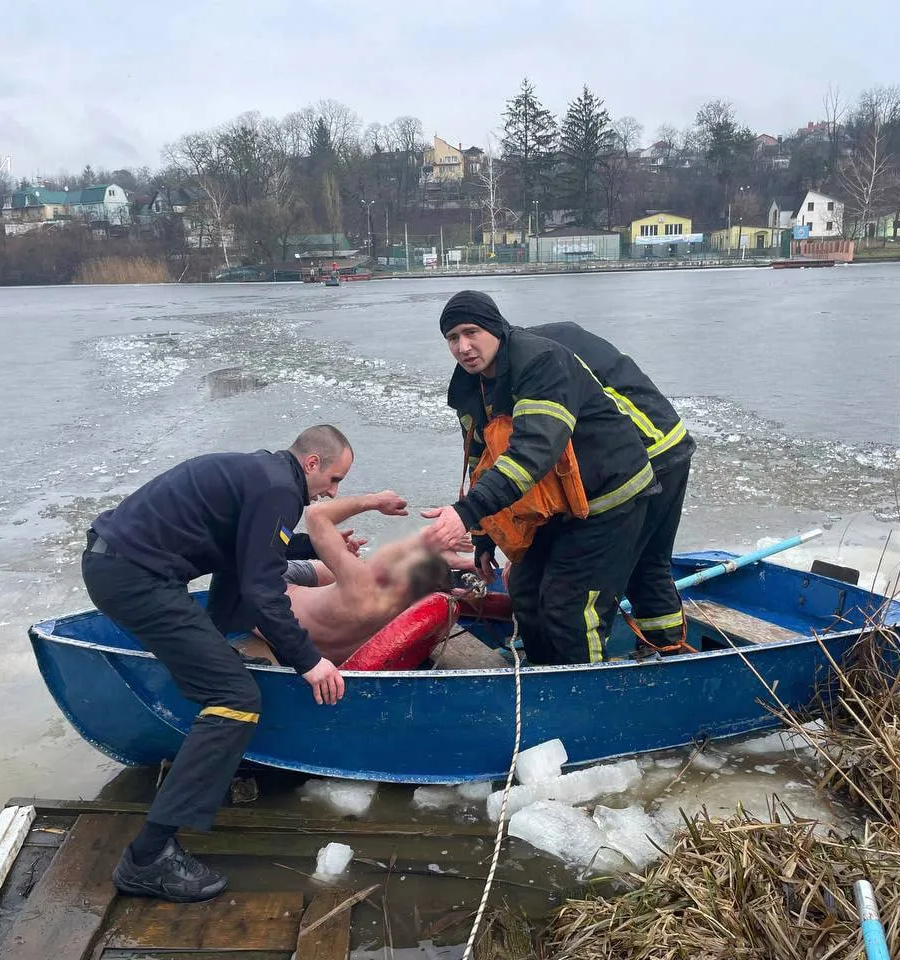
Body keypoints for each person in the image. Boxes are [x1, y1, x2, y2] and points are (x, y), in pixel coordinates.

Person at [80, 425, 351, 902]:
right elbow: (263, 587)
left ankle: (205, 684)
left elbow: (251, 547)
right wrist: (310, 662)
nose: (333, 492)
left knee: (226, 664)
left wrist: (316, 547)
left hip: (116, 563)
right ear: (311, 463)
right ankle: (148, 857)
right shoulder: (280, 489)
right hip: (135, 577)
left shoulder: (264, 473)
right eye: (334, 479)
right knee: (236, 698)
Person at [421, 290, 656, 665]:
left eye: (471, 332)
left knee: (570, 607)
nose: (463, 347)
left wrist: (465, 513)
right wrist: (483, 536)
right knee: (527, 595)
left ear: (495, 328)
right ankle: (543, 679)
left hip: (608, 498)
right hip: (551, 505)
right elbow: (483, 461)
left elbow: (534, 452)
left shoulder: (540, 362)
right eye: (452, 338)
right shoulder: (469, 385)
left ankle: (582, 695)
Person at [523, 321, 695, 652]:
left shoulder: (534, 364)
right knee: (650, 563)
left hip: (643, 456)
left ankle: (601, 665)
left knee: (592, 582)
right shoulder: (549, 340)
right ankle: (667, 653)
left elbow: (541, 444)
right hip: (669, 443)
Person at [256, 491, 459, 663]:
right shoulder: (399, 608)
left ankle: (317, 549)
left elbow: (316, 514)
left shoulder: (361, 582)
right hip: (319, 647)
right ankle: (321, 551)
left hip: (264, 601)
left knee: (330, 561)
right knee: (338, 566)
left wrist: (375, 500)